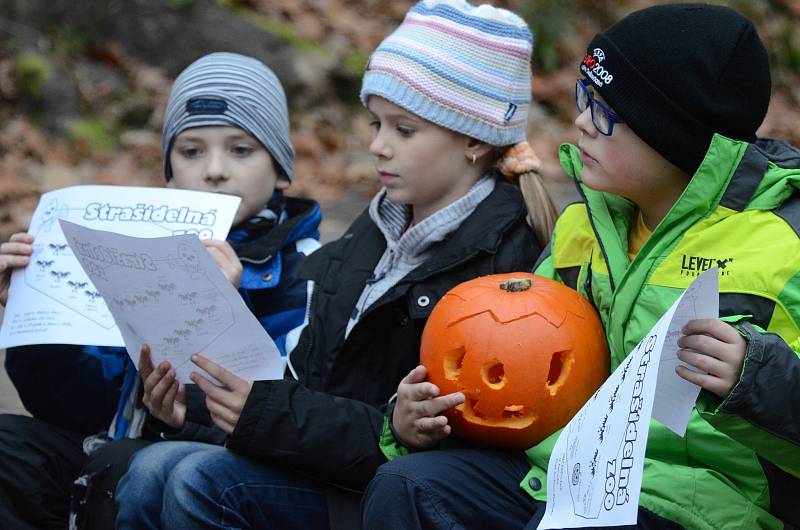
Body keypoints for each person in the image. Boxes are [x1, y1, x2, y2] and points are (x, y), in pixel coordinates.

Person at [113, 1, 557, 528]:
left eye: (404, 130)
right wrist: (195, 411)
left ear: (474, 139)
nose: (377, 146)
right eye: (375, 123)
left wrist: (262, 415)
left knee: (197, 482)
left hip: (390, 490)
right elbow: (308, 388)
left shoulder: (508, 263)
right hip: (325, 465)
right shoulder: (365, 240)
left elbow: (415, 442)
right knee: (153, 466)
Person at [362, 3, 800, 529]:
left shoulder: (782, 242)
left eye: (605, 112)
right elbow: (521, 382)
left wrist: (755, 378)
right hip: (565, 472)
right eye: (582, 99)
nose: (580, 124)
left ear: (674, 135)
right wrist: (419, 418)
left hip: (704, 503)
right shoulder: (580, 227)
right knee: (407, 486)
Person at [0, 51, 322, 530]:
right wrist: (31, 309)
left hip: (213, 471)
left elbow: (292, 418)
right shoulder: (126, 250)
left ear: (279, 167)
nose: (214, 170)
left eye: (241, 149)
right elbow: (74, 406)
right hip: (112, 448)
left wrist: (224, 313)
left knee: (138, 465)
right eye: (191, 151)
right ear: (169, 170)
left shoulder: (313, 270)